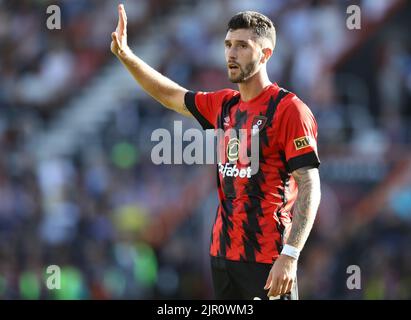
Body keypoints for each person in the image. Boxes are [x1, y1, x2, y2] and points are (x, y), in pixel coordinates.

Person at [111, 4, 321, 300]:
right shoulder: (224, 104)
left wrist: (290, 254)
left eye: (242, 46)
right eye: (228, 45)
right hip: (222, 258)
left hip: (267, 260)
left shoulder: (290, 111)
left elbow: (310, 184)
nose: (231, 54)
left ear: (265, 54)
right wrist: (126, 56)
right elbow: (170, 95)